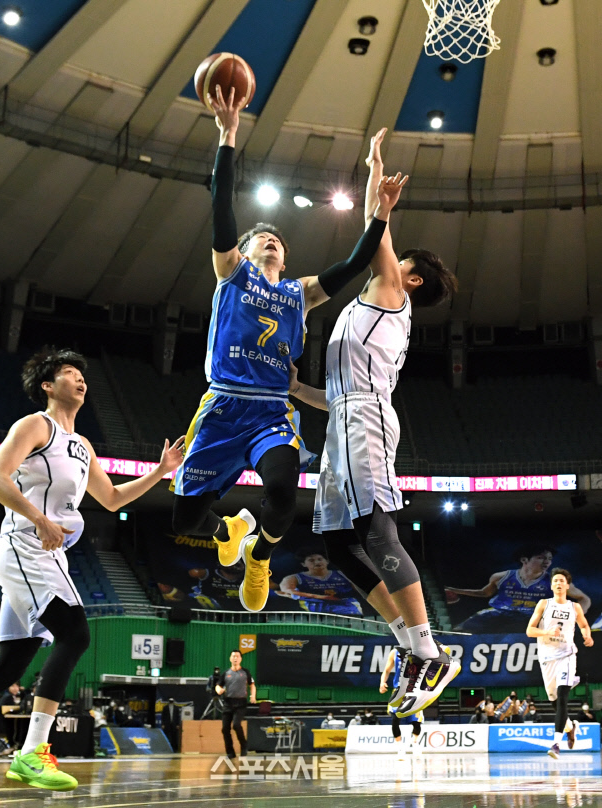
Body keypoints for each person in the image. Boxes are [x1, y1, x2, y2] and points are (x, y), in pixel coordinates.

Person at [171, 85, 395, 615]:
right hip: (223, 405)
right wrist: (228, 136)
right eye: (262, 238)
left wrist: (381, 212)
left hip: (272, 411)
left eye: (278, 241)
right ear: (243, 250)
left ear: (287, 260)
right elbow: (221, 207)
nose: (271, 240)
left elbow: (353, 264)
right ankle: (230, 530)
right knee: (185, 520)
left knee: (282, 496)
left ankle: (260, 557)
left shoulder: (300, 293)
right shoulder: (231, 272)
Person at [0, 347, 184, 793]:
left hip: (49, 555)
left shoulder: (82, 446)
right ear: (47, 385)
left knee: (9, 665)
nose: (79, 378)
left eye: (81, 373)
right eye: (68, 372)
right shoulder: (34, 426)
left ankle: (27, 752)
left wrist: (160, 471)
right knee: (75, 634)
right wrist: (39, 519)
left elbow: (112, 499)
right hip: (25, 547)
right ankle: (32, 752)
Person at [289, 127, 460, 718]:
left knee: (376, 532)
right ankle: (408, 641)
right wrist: (297, 390)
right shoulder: (378, 297)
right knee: (338, 544)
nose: (389, 258)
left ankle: (431, 651)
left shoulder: (392, 292)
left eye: (399, 259)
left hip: (366, 420)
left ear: (411, 278)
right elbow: (335, 398)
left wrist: (374, 175)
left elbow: (372, 229)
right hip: (344, 416)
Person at [526, 567, 594, 759]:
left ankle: (556, 744)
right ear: (551, 585)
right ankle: (571, 727)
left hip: (567, 655)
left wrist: (587, 635)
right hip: (547, 657)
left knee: (563, 697)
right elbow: (530, 630)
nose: (558, 583)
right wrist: (546, 632)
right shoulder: (544, 604)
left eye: (562, 581)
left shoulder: (575, 607)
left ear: (567, 585)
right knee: (555, 702)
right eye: (555, 580)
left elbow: (583, 624)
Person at [446, 544, 591, 633]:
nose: (547, 562)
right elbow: (485, 593)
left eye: (549, 559)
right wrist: (456, 590)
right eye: (541, 557)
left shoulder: (554, 580)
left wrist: (575, 616)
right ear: (524, 560)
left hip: (533, 616)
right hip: (500, 612)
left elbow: (584, 599)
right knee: (462, 628)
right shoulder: (501, 576)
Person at [279, 547, 363, 616]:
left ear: (327, 561)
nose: (317, 562)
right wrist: (321, 597)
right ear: (303, 564)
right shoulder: (294, 578)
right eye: (311, 560)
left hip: (347, 608)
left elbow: (361, 589)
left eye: (320, 559)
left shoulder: (343, 574)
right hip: (315, 611)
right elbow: (286, 592)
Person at [380, 647, 423, 758]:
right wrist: (382, 682)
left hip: (414, 690)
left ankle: (415, 743)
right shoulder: (395, 652)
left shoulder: (419, 651)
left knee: (416, 722)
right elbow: (387, 670)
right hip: (398, 690)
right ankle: (400, 748)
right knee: (395, 718)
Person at [215, 649, 256, 758]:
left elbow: (252, 685)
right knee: (225, 729)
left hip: (241, 703)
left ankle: (244, 745)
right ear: (230, 658)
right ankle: (230, 752)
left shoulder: (245, 672)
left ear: (240, 659)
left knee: (236, 725)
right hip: (228, 703)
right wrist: (218, 690)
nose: (235, 658)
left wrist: (253, 696)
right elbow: (218, 685)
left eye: (237, 656)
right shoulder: (226, 673)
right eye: (233, 656)